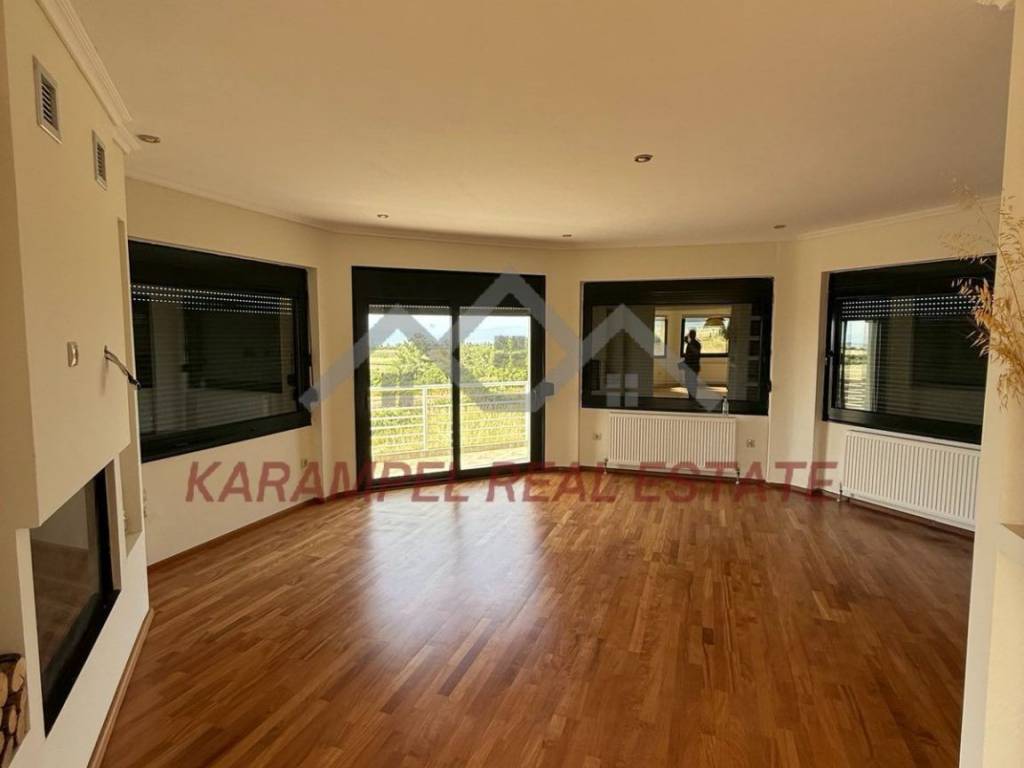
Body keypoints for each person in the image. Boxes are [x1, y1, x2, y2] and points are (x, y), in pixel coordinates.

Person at [680, 329, 702, 400]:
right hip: (691, 366)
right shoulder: (693, 344)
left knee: (691, 382)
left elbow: (696, 353)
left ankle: (692, 396)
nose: (690, 336)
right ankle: (691, 396)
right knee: (689, 382)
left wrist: (688, 343)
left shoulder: (696, 344)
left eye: (691, 334)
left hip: (693, 366)